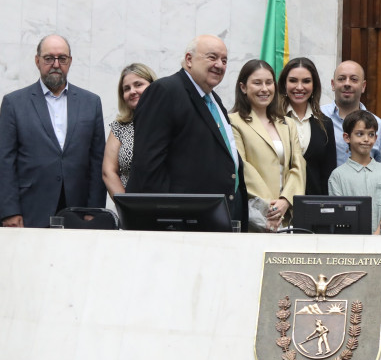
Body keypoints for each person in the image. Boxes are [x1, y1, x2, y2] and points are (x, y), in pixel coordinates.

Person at [126, 34, 248, 228]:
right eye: (212, 57)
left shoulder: (215, 101)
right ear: (189, 59)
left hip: (217, 219)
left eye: (224, 60)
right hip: (179, 223)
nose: (220, 65)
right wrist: (169, 217)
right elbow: (148, 164)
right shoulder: (165, 91)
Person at [0, 35, 106, 227]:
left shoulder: (91, 103)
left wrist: (94, 211)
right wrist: (9, 211)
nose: (56, 64)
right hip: (29, 209)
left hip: (78, 210)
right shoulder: (14, 103)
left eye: (62, 58)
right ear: (37, 61)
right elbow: (4, 161)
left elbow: (97, 160)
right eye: (49, 58)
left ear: (70, 62)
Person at [229, 59, 305, 232]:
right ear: (243, 87)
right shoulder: (233, 122)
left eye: (269, 83)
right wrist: (270, 208)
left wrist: (286, 201)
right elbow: (243, 167)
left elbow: (298, 166)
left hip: (286, 215)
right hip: (255, 214)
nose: (264, 89)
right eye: (257, 83)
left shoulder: (287, 123)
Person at [328, 110, 381, 234]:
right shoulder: (337, 176)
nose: (366, 139)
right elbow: (338, 215)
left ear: (376, 138)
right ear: (347, 137)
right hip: (351, 243)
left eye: (371, 135)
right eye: (360, 134)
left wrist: (376, 238)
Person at [280, 57, 337, 195]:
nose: (299, 87)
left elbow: (328, 175)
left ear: (314, 85)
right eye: (293, 80)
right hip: (278, 206)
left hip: (313, 206)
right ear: (284, 84)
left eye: (306, 81)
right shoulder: (273, 119)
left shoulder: (325, 124)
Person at [102, 63, 157, 199]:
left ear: (153, 86)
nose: (132, 91)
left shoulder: (170, 121)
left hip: (169, 207)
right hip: (131, 212)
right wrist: (128, 205)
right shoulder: (120, 126)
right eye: (126, 89)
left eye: (138, 84)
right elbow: (108, 171)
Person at [321, 60, 381, 166]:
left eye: (354, 79)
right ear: (333, 84)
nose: (347, 83)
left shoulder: (378, 125)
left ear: (363, 86)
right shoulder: (318, 117)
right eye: (341, 79)